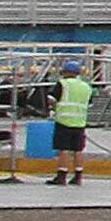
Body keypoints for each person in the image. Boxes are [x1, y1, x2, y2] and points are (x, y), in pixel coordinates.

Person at [45, 58, 93, 186]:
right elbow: (90, 103)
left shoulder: (62, 84)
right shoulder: (86, 86)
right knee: (78, 149)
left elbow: (51, 99)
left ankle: (62, 175)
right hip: (80, 122)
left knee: (64, 149)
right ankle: (78, 176)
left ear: (65, 72)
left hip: (64, 120)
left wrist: (55, 108)